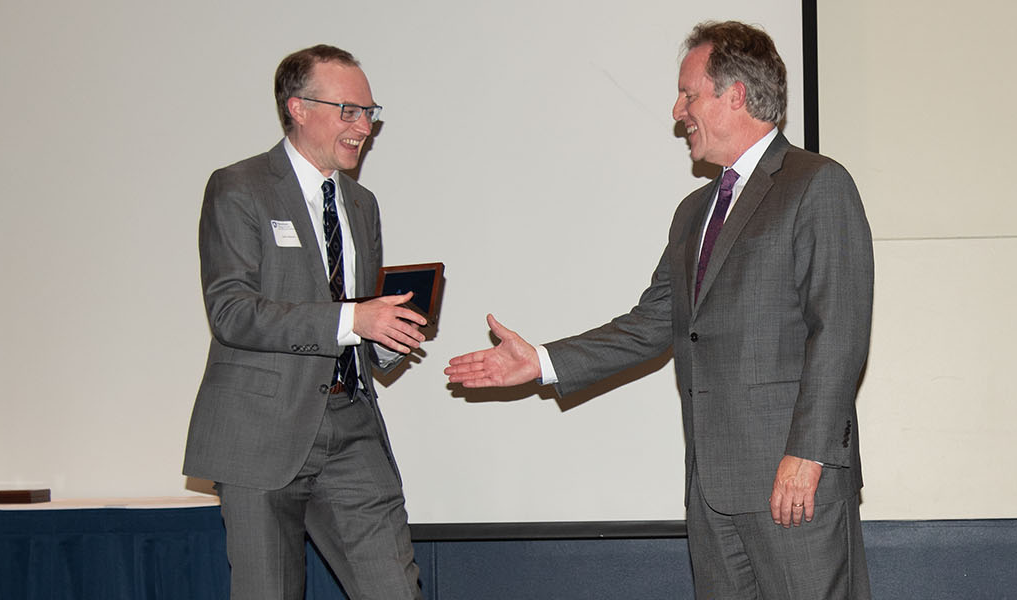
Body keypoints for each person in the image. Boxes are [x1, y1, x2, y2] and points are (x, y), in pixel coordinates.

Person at [446, 21, 874, 599]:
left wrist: (807, 454)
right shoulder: (694, 211)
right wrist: (543, 362)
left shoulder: (815, 184)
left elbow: (839, 332)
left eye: (688, 93)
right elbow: (653, 324)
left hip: (792, 482)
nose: (678, 111)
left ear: (735, 95)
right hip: (712, 492)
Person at [185, 44, 428, 600]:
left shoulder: (361, 203)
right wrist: (353, 319)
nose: (363, 126)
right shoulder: (239, 187)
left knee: (395, 589)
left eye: (370, 112)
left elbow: (358, 317)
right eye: (349, 110)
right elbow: (231, 312)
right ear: (297, 107)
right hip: (259, 430)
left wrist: (390, 334)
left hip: (351, 423)